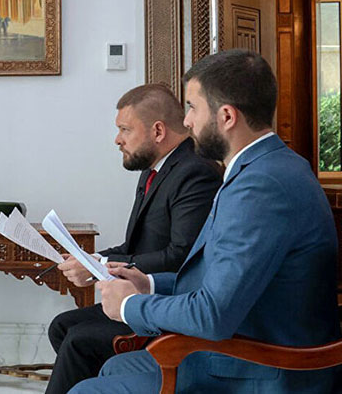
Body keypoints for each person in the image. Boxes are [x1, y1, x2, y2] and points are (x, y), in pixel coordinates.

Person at [71, 49, 340, 393]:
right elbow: (219, 281)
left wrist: (129, 305)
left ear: (226, 116)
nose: (186, 121)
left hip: (265, 369)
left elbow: (213, 315)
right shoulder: (267, 167)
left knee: (85, 391)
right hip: (245, 347)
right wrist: (148, 284)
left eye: (192, 107)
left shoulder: (261, 186)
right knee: (113, 366)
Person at [46, 84, 221, 394]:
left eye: (125, 129)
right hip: (143, 293)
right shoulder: (154, 169)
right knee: (62, 326)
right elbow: (133, 247)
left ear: (158, 131)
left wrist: (101, 264)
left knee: (79, 341)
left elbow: (182, 257)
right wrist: (91, 261)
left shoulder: (195, 172)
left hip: (167, 302)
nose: (118, 139)